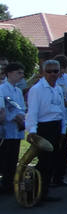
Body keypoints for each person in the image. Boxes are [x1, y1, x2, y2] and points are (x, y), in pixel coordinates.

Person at [25, 59, 67, 204]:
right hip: (44, 127)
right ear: (43, 73)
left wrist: (63, 130)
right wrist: (32, 131)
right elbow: (32, 112)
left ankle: (44, 192)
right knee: (44, 163)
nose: (52, 74)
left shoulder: (58, 89)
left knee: (52, 162)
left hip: (56, 126)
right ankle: (34, 194)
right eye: (49, 71)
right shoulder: (37, 89)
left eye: (56, 71)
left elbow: (62, 111)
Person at [0, 62, 27, 194]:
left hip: (17, 128)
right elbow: (3, 109)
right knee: (5, 157)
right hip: (6, 129)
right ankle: (5, 183)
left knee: (13, 157)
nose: (21, 76)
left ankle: (9, 182)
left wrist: (21, 116)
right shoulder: (2, 89)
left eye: (22, 73)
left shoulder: (18, 90)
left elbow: (21, 107)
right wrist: (14, 117)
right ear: (9, 73)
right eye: (18, 73)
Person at [50, 54, 67, 188]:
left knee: (63, 148)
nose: (60, 72)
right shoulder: (49, 80)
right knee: (52, 148)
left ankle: (59, 176)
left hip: (66, 119)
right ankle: (49, 176)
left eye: (63, 68)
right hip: (53, 119)